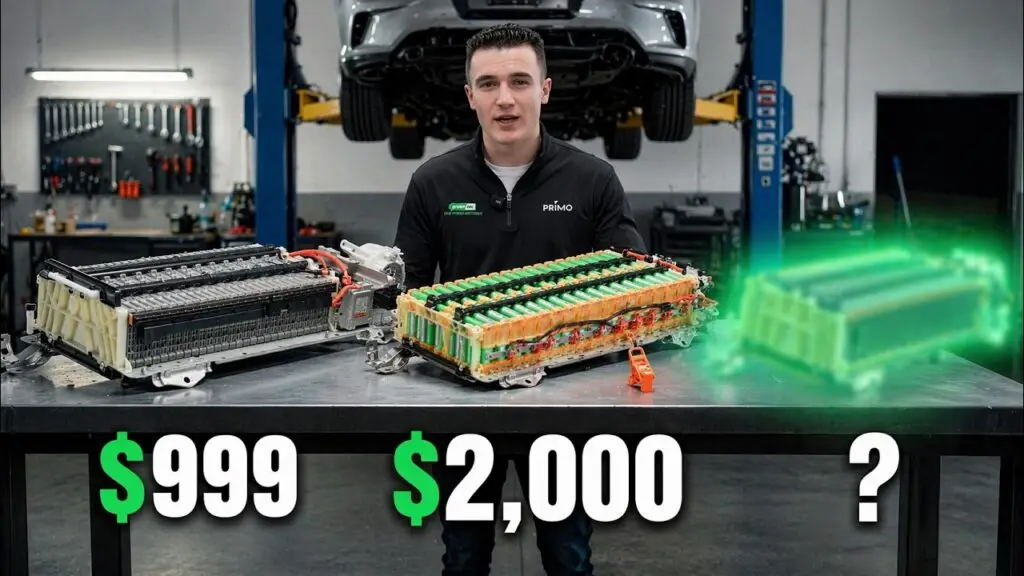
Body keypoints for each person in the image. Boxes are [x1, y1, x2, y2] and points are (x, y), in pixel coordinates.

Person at [392, 23, 646, 576]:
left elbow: (633, 285)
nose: (504, 99)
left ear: (545, 89)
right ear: (470, 96)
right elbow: (404, 292)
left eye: (519, 81)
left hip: (564, 402)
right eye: (488, 84)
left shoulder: (593, 181)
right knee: (462, 557)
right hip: (463, 402)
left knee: (568, 555)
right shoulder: (434, 183)